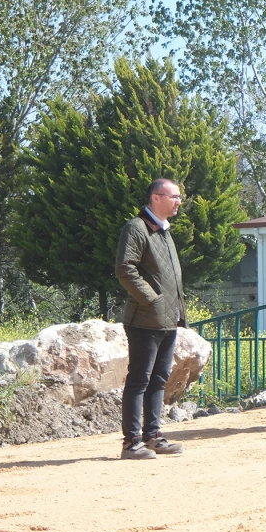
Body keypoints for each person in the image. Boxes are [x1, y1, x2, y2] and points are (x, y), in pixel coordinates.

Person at [114, 177, 188, 460]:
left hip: (168, 319)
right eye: (174, 196)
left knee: (159, 379)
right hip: (145, 318)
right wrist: (153, 300)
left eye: (179, 197)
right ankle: (131, 442)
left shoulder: (164, 231)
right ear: (156, 198)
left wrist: (173, 308)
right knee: (139, 380)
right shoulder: (136, 228)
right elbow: (125, 269)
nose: (179, 201)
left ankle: (153, 436)